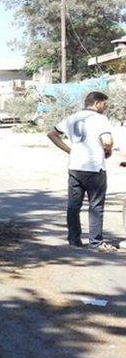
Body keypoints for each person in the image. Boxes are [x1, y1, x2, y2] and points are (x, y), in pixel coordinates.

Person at [47, 91, 116, 250]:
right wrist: (108, 150)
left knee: (73, 205)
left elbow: (52, 134)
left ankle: (74, 239)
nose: (104, 108)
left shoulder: (73, 117)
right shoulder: (100, 118)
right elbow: (107, 140)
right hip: (94, 167)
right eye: (104, 104)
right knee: (96, 205)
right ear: (97, 103)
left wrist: (70, 150)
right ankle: (96, 242)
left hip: (75, 167)